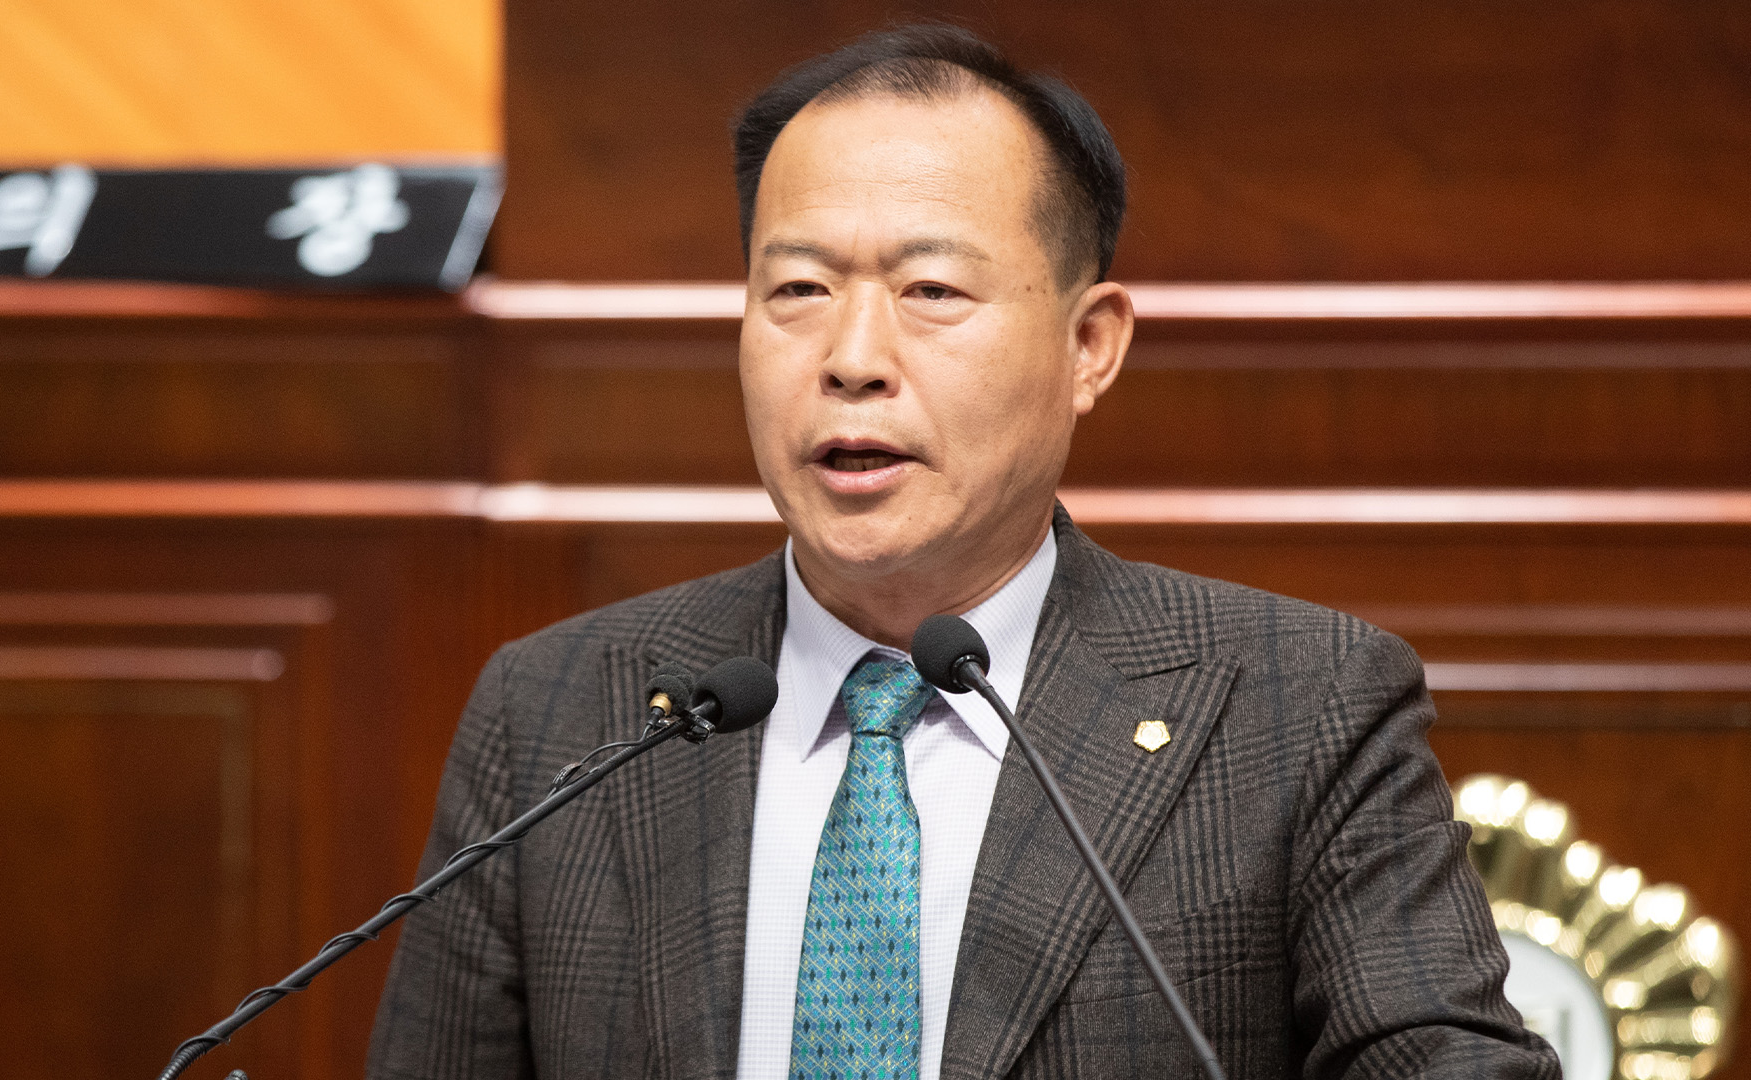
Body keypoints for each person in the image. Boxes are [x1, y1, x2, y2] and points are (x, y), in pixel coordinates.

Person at [368, 25, 1560, 1080]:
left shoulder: (1296, 707)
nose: (852, 358)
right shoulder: (558, 711)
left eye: (931, 289)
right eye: (797, 289)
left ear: (1090, 346)